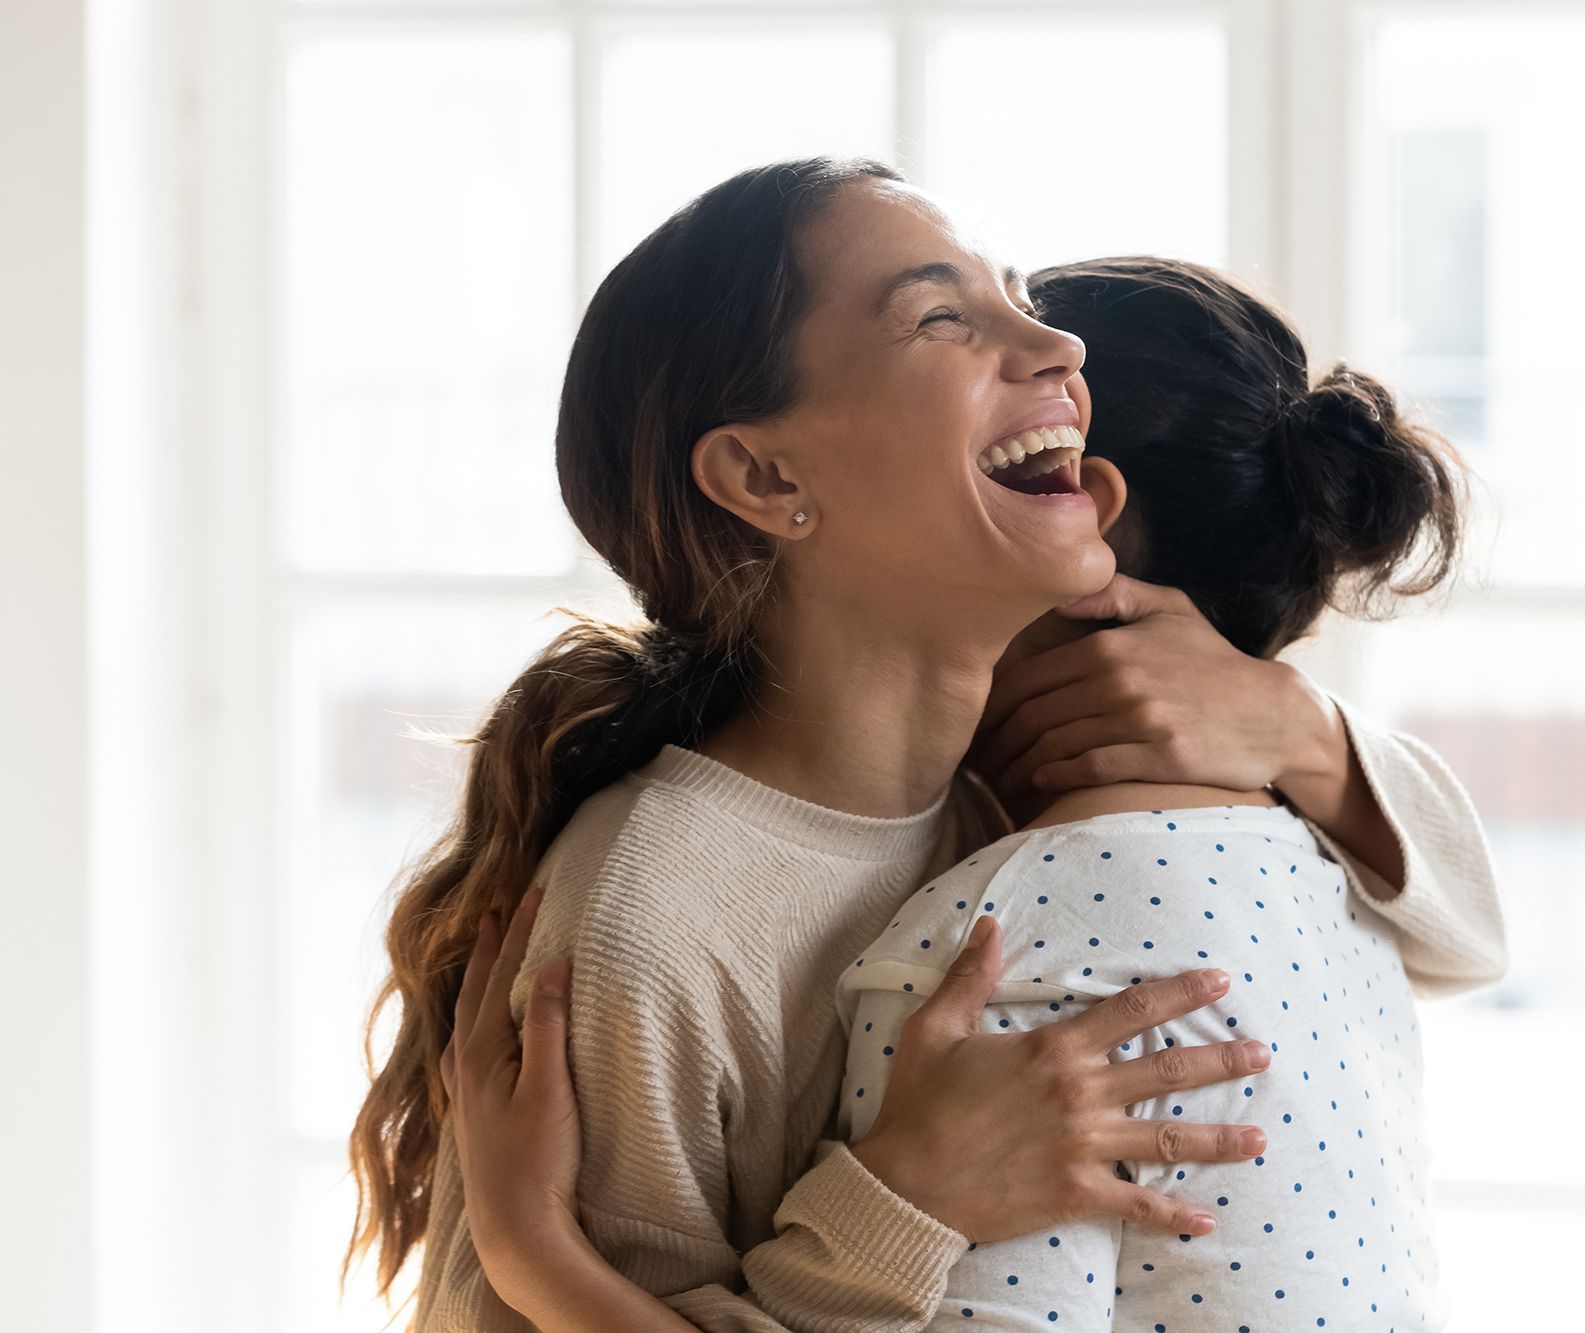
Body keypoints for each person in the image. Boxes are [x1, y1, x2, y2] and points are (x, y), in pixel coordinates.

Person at [348, 159, 1500, 1333]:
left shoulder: (1017, 796)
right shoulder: (659, 913)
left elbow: (1463, 936)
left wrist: (1298, 729)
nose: (1061, 346)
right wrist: (906, 1197)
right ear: (762, 474)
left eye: (1017, 296)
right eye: (942, 316)